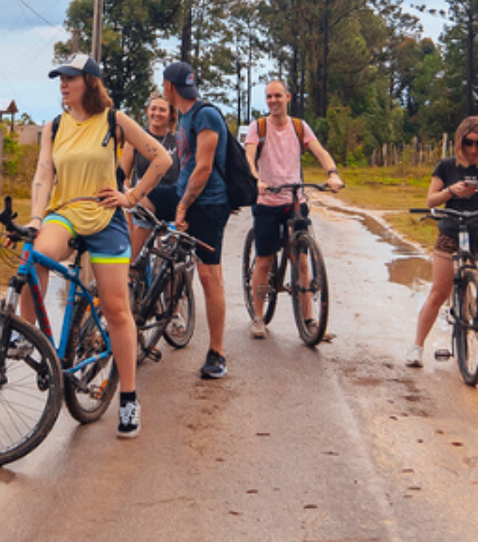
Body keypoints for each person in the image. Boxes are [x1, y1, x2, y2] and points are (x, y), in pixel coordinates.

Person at [29, 55, 173, 438]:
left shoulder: (113, 119)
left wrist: (132, 196)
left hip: (106, 216)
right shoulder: (54, 126)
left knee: (116, 310)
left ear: (89, 82)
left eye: (70, 78)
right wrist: (34, 217)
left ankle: (128, 398)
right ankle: (23, 336)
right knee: (36, 256)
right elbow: (44, 172)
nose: (62, 84)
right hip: (65, 212)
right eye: (59, 78)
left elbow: (162, 157)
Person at [408, 115, 478, 377]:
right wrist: (452, 191)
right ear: (460, 141)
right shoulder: (447, 166)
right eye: (468, 143)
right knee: (438, 292)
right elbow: (430, 200)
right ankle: (416, 347)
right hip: (452, 229)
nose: (472, 150)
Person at [241, 80, 344, 339]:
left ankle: (309, 320)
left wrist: (332, 174)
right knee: (264, 259)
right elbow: (249, 159)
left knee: (303, 261)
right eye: (269, 97)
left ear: (287, 97)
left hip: (296, 199)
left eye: (278, 95)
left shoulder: (299, 127)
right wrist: (256, 180)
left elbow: (320, 151)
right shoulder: (259, 127)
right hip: (267, 201)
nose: (273, 100)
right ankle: (258, 316)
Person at [160, 60, 233, 380]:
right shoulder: (183, 117)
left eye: (164, 84)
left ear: (170, 87)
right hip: (184, 195)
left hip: (208, 204)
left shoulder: (205, 115)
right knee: (141, 203)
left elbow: (203, 168)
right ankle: (134, 274)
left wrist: (182, 209)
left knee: (208, 275)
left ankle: (216, 352)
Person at [120, 93, 180, 260]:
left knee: (169, 258)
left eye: (162, 110)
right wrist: (128, 197)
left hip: (169, 202)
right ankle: (132, 276)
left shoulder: (177, 142)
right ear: (147, 111)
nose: (157, 113)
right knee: (135, 255)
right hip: (142, 203)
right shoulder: (135, 141)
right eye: (153, 109)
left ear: (170, 114)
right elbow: (123, 175)